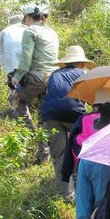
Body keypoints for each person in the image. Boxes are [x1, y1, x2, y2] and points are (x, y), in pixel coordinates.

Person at [40, 45, 96, 198]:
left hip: (49, 116)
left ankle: (66, 195)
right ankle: (80, 188)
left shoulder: (54, 75)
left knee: (59, 155)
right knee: (80, 150)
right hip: (74, 115)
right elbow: (92, 100)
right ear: (82, 63)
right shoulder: (84, 74)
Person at [11, 4, 59, 131]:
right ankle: (44, 146)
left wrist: (18, 76)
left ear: (27, 17)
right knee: (43, 112)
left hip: (37, 77)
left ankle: (30, 133)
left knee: (15, 100)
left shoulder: (30, 31)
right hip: (52, 78)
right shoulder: (52, 32)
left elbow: (26, 57)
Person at [0, 14, 26, 108]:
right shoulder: (27, 29)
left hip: (11, 66)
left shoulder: (5, 31)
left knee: (14, 87)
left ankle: (15, 108)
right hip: (27, 65)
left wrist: (5, 67)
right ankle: (24, 108)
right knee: (27, 86)